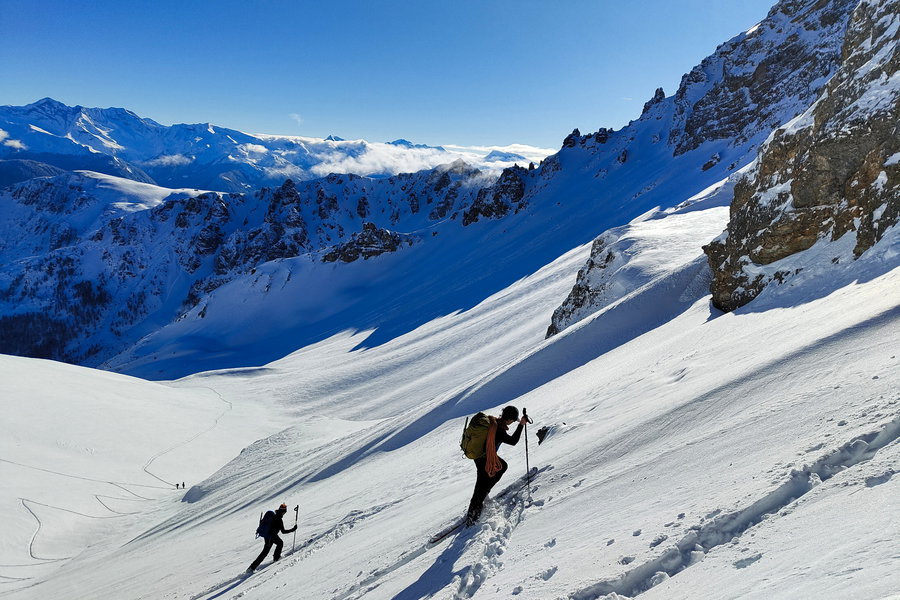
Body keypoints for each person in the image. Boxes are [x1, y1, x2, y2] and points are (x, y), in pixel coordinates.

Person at [466, 406, 528, 526]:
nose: (512, 423)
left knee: (502, 466)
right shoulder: (498, 429)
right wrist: (521, 424)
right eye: (513, 420)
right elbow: (513, 441)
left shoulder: (493, 422)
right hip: (484, 458)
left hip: (480, 457)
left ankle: (481, 498)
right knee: (480, 488)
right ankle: (472, 519)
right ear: (509, 419)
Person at [247, 503, 296, 572]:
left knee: (280, 543)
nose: (285, 513)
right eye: (285, 512)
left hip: (269, 536)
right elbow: (283, 531)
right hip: (271, 538)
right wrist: (293, 529)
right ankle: (252, 568)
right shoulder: (279, 519)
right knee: (265, 552)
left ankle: (276, 557)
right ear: (283, 511)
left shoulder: (274, 516)